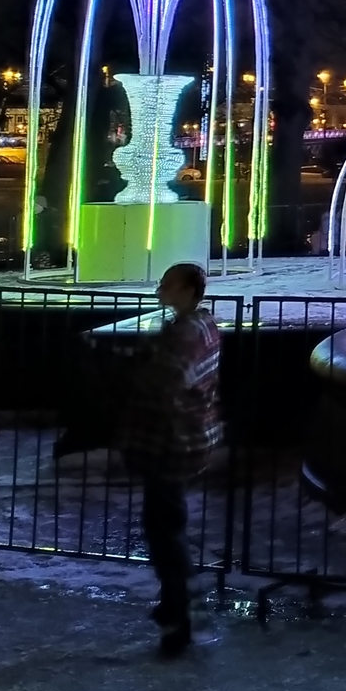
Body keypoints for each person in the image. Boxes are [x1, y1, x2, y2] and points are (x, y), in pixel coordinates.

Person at [118, 262, 223, 655]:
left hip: (170, 442)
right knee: (166, 524)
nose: (160, 289)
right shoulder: (200, 327)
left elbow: (166, 384)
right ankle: (179, 607)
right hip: (183, 439)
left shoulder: (186, 334)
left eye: (167, 284)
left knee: (164, 530)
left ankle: (181, 612)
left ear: (186, 290)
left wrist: (133, 369)